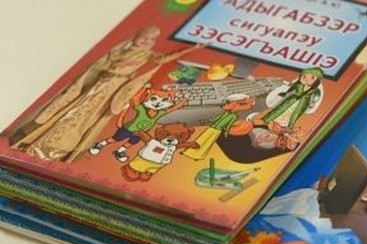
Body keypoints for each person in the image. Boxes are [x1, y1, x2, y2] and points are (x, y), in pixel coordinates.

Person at [9, 26, 202, 163]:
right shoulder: (118, 52)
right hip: (99, 84)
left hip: (113, 89)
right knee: (76, 110)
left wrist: (191, 48)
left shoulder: (147, 55)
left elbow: (164, 58)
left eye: (151, 40)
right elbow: (100, 63)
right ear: (136, 37)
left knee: (91, 117)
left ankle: (60, 150)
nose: (146, 42)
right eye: (144, 37)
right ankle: (39, 143)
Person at [181, 93, 255, 160]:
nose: (223, 105)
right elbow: (216, 119)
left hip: (217, 130)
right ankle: (188, 152)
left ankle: (198, 155)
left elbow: (228, 125)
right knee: (200, 139)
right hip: (212, 127)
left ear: (238, 105)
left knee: (207, 143)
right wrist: (207, 121)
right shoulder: (226, 113)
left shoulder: (234, 116)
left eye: (228, 103)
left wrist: (226, 131)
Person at [255, 67, 324, 130]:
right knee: (279, 110)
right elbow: (289, 89)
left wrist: (312, 102)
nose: (307, 79)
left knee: (294, 115)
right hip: (291, 100)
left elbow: (315, 98)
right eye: (304, 76)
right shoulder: (298, 85)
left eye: (312, 77)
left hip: (301, 104)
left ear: (317, 81)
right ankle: (269, 122)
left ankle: (286, 126)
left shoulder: (315, 91)